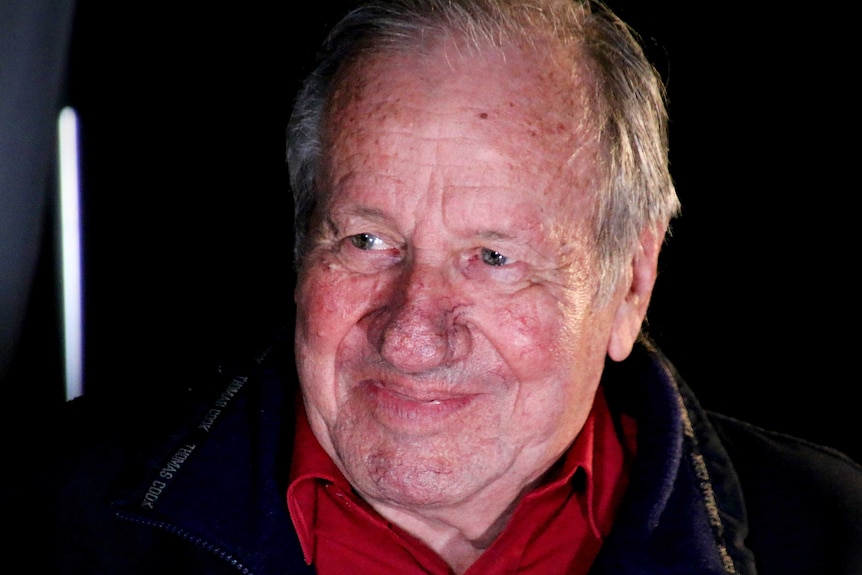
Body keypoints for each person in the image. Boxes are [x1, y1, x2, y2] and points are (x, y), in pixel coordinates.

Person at [2, 0, 860, 573]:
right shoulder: (50, 524)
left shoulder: (834, 536)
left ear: (630, 284)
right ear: (303, 245)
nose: (411, 333)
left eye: (493, 257)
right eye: (367, 239)